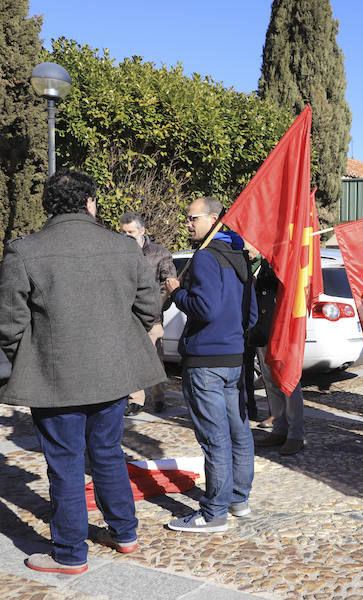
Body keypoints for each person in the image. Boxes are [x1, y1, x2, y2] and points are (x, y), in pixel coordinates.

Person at [0, 169, 166, 574]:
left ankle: (71, 554)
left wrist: (32, 357)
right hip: (111, 373)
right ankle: (125, 533)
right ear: (90, 203)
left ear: (47, 206)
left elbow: (8, 324)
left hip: (55, 377)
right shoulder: (125, 248)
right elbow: (149, 309)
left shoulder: (24, 249)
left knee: (66, 462)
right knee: (106, 452)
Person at [164, 197, 258, 533]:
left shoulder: (205, 257)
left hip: (206, 361)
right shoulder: (240, 257)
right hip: (234, 358)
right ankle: (238, 499)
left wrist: (177, 292)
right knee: (238, 432)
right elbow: (251, 315)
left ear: (214, 219)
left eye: (192, 218)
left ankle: (214, 511)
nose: (187, 223)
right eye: (186, 217)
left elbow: (204, 308)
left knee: (215, 437)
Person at [246, 245, 306, 455]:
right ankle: (279, 429)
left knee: (288, 382)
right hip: (264, 330)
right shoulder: (261, 263)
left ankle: (295, 434)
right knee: (270, 382)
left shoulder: (283, 259)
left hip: (283, 331)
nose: (247, 245)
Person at [119, 211, 176, 415]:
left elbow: (168, 283)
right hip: (127, 317)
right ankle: (135, 400)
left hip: (152, 318)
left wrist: (153, 306)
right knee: (131, 361)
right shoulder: (117, 253)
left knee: (154, 360)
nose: (127, 236)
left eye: (131, 232)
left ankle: (159, 397)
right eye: (123, 232)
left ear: (142, 231)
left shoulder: (159, 253)